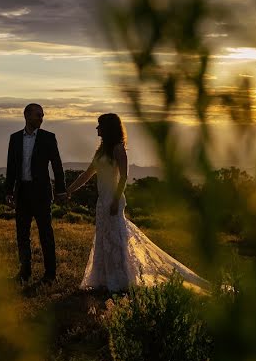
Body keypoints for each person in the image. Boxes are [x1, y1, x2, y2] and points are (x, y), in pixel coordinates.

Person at [64, 113, 209, 293]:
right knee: (103, 239)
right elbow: (87, 174)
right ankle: (103, 279)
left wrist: (116, 200)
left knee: (117, 239)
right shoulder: (101, 150)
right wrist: (69, 190)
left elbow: (124, 177)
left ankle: (120, 280)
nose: (96, 128)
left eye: (99, 125)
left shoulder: (118, 148)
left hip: (114, 199)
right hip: (102, 201)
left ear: (108, 128)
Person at [5, 103, 68, 284]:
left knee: (46, 234)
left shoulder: (48, 138)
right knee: (22, 235)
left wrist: (61, 190)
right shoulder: (15, 138)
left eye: (42, 116)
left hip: (41, 193)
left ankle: (50, 275)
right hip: (22, 192)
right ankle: (24, 272)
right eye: (38, 115)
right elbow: (11, 166)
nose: (41, 118)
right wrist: (9, 191)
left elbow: (57, 165)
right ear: (26, 115)